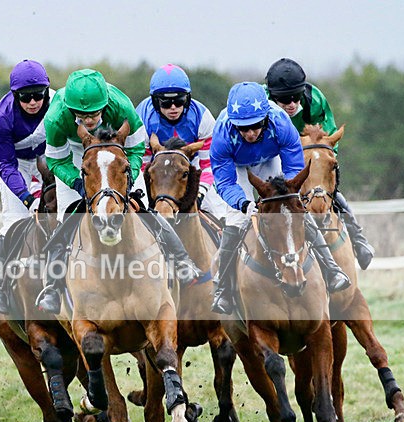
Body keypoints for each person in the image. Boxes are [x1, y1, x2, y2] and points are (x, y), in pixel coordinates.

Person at [36, 69, 201, 314]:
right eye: (81, 115)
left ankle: (182, 262)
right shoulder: (56, 118)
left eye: (94, 113)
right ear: (71, 111)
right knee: (65, 220)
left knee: (146, 211)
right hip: (76, 155)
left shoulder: (122, 106)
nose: (89, 120)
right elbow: (56, 162)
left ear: (105, 104)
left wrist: (126, 178)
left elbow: (136, 150)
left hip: (117, 156)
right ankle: (52, 286)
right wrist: (78, 182)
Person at [209, 82, 350, 315]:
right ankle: (222, 288)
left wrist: (290, 196)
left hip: (269, 159)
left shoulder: (281, 123)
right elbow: (225, 182)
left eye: (255, 126)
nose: (250, 133)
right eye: (243, 129)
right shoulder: (222, 134)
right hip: (236, 167)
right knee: (238, 220)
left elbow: (294, 166)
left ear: (265, 118)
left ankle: (331, 268)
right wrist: (243, 203)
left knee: (292, 212)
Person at [265, 58, 374, 269]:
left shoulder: (314, 99)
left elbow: (329, 137)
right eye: (285, 100)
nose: (292, 104)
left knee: (326, 190)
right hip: (273, 153)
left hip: (308, 152)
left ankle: (358, 238)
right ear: (272, 96)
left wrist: (325, 165)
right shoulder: (261, 102)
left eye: (296, 98)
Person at [0, 59, 52, 313]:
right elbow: (5, 165)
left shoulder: (58, 104)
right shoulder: (2, 118)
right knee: (14, 222)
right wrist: (27, 197)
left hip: (51, 159)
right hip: (17, 166)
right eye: (26, 98)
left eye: (38, 95)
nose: (33, 102)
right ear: (15, 96)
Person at [135, 63, 229, 219]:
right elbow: (142, 167)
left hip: (192, 166)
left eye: (179, 100)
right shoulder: (142, 119)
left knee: (220, 210)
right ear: (155, 102)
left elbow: (209, 165)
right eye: (166, 102)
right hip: (157, 170)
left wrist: (198, 194)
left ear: (187, 98)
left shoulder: (203, 118)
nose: (173, 107)